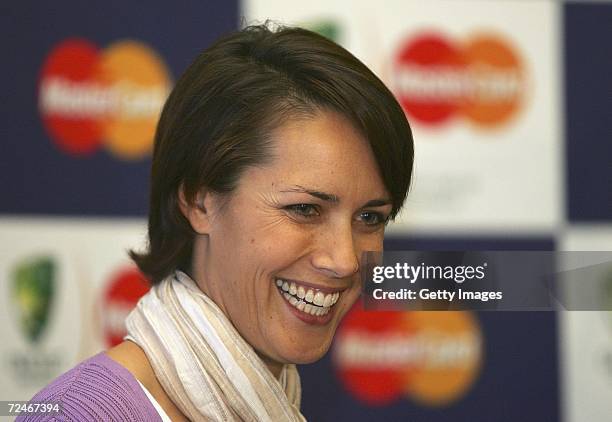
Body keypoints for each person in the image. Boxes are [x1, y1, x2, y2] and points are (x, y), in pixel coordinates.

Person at [19, 23, 414, 421]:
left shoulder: (270, 404)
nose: (346, 260)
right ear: (199, 201)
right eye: (305, 210)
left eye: (369, 217)